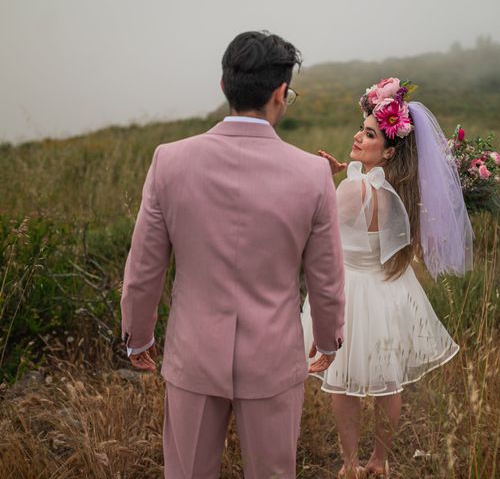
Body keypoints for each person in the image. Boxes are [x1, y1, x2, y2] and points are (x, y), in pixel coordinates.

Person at [121, 31, 345, 479]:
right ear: (281, 93)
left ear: (224, 87)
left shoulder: (169, 160)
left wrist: (138, 337)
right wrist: (327, 339)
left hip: (193, 352)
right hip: (274, 357)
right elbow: (326, 278)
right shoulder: (313, 173)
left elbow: (145, 269)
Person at [301, 78, 474, 478]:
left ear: (389, 150)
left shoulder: (351, 190)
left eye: (370, 134)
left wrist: (327, 178)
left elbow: (312, 234)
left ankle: (349, 464)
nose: (359, 137)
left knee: (344, 383)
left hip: (352, 291)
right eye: (362, 129)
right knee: (387, 380)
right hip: (390, 292)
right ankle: (380, 459)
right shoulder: (399, 191)